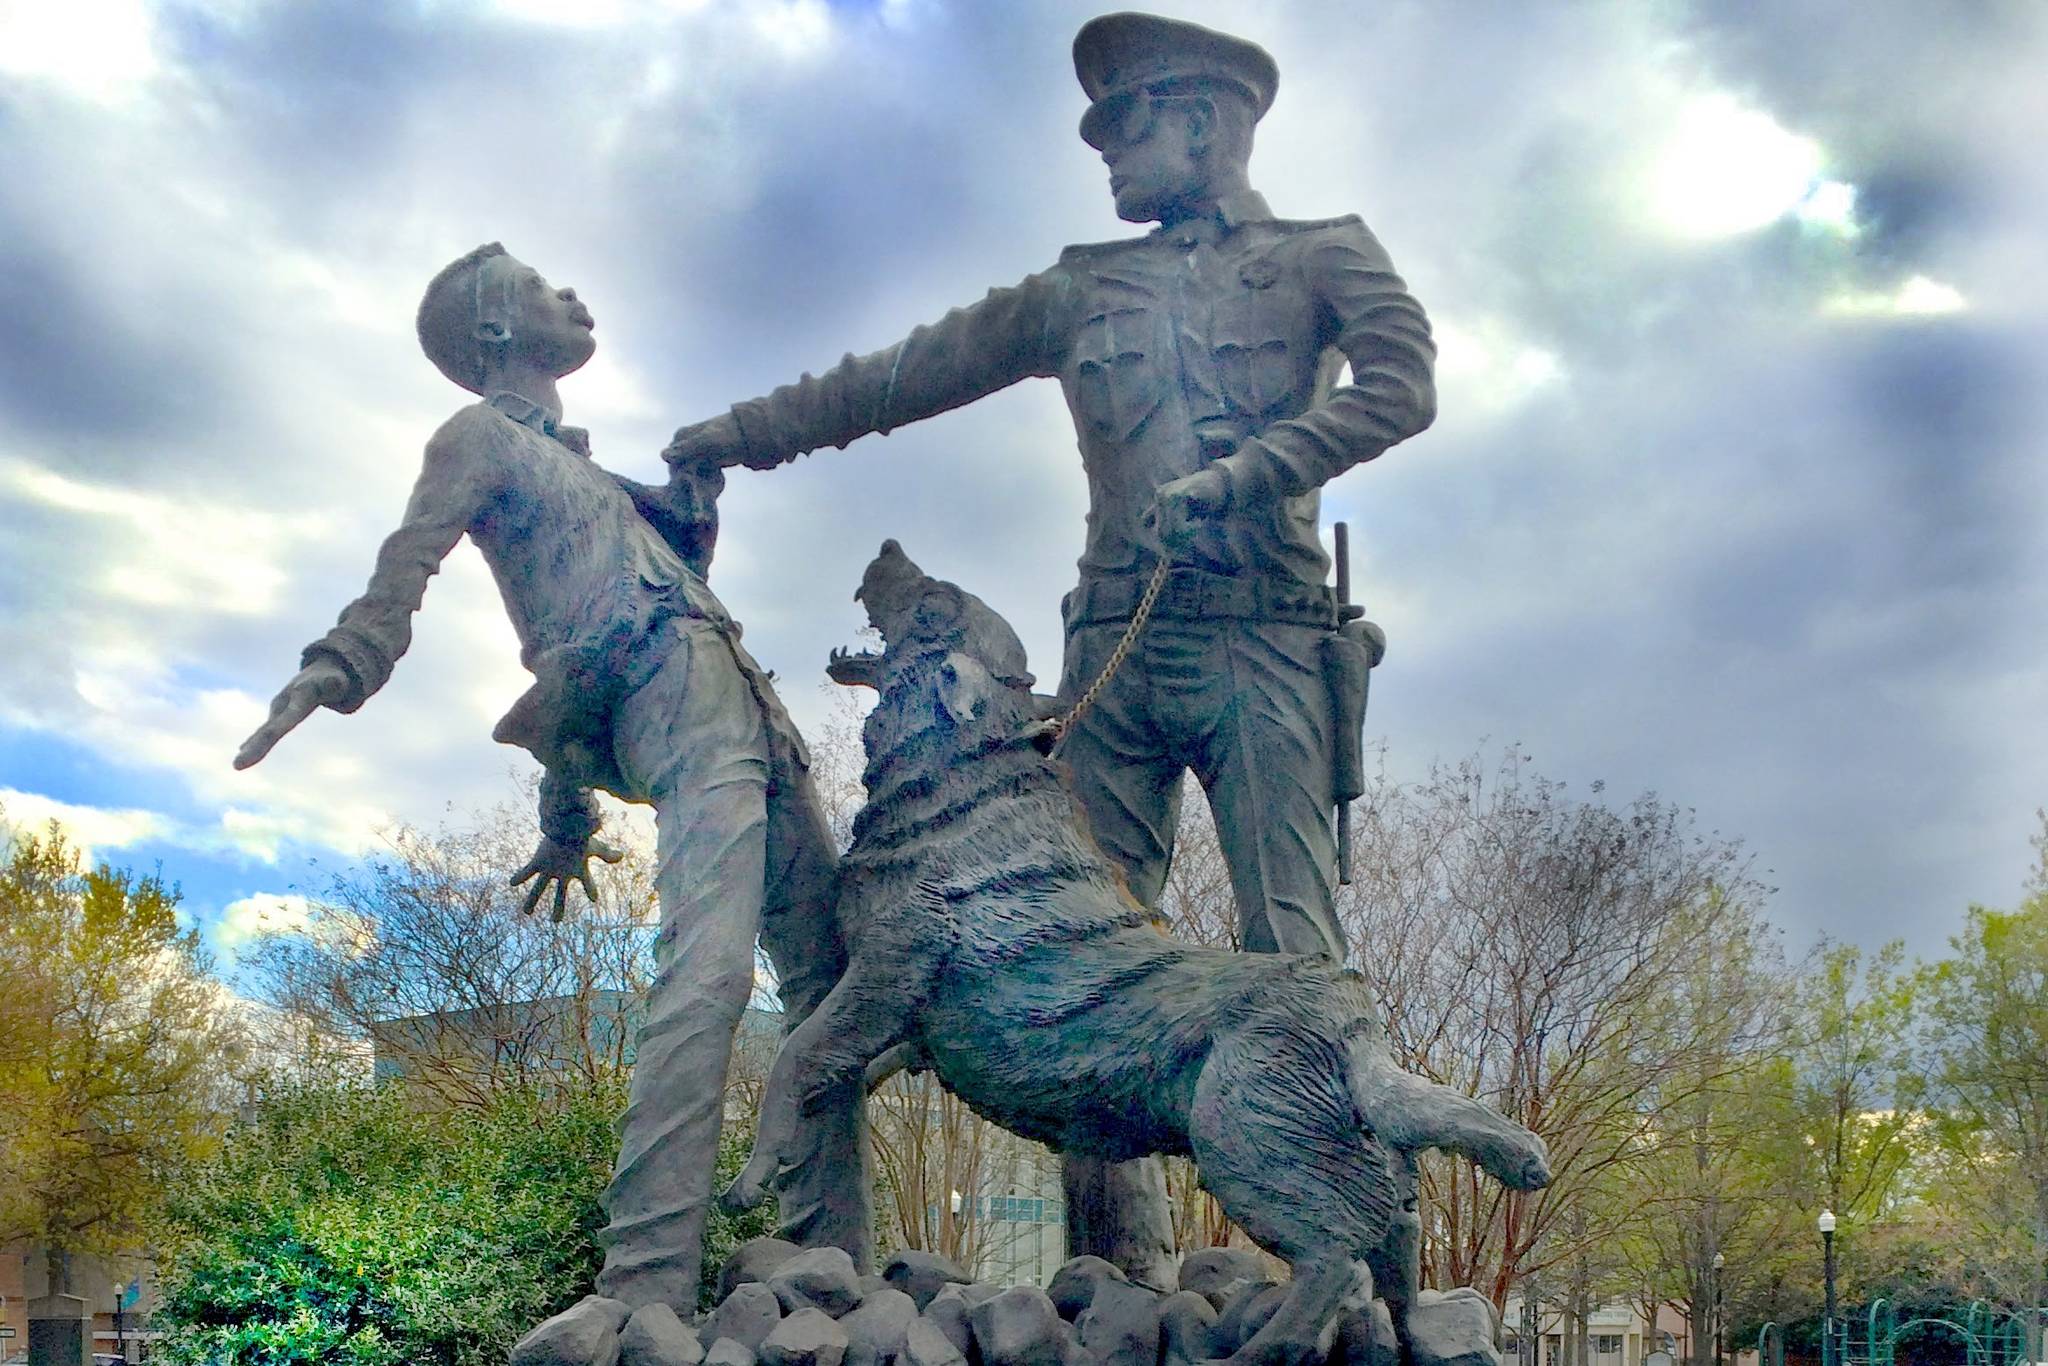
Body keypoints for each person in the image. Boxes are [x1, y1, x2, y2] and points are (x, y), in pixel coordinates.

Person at [663, 12, 1437, 1290]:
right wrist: (739, 434)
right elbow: (902, 374)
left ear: (1204, 121)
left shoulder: (1322, 255)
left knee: (1296, 948)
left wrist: (1253, 472)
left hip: (1267, 645)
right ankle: (1111, 1279)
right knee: (1077, 967)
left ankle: (1372, 1276)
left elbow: (1401, 387)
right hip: (1114, 660)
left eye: (1127, 129)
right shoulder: (1082, 286)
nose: (1107, 156)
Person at [234, 244, 871, 1351]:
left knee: (832, 980)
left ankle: (835, 1272)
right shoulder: (477, 438)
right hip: (673, 689)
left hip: (743, 695)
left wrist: (689, 512)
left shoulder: (592, 472)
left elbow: (634, 579)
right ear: (494, 332)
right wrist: (339, 665)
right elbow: (406, 567)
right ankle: (645, 1283)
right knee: (710, 968)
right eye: (539, 288)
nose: (570, 295)